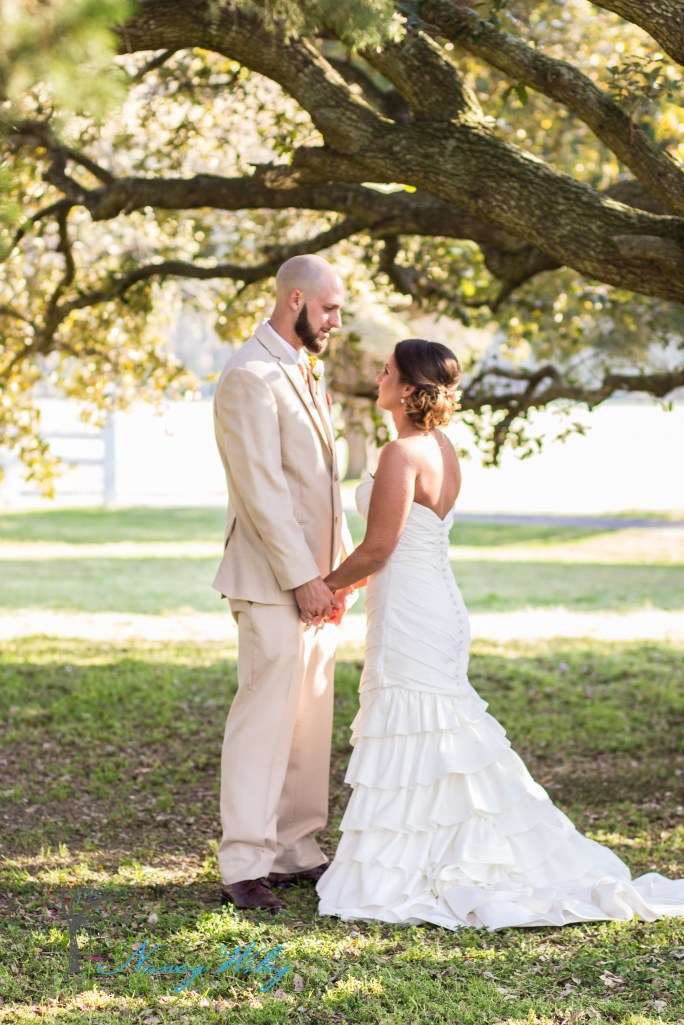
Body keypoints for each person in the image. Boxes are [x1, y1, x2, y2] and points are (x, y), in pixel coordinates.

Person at [315, 337, 684, 929]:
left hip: (414, 608)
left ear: (407, 390)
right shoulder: (442, 447)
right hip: (433, 602)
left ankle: (411, 866)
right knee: (438, 732)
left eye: (386, 371)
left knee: (420, 725)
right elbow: (399, 543)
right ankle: (431, 852)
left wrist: (324, 585)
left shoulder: (400, 453)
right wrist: (349, 588)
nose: (378, 377)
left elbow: (380, 546)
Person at [213, 254, 354, 912]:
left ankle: (297, 847)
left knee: (308, 720)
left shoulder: (303, 368)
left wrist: (340, 574)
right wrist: (302, 578)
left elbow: (324, 489)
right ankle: (244, 862)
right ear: (295, 299)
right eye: (329, 309)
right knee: (264, 720)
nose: (335, 322)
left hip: (320, 583)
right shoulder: (249, 374)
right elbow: (262, 493)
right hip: (272, 580)